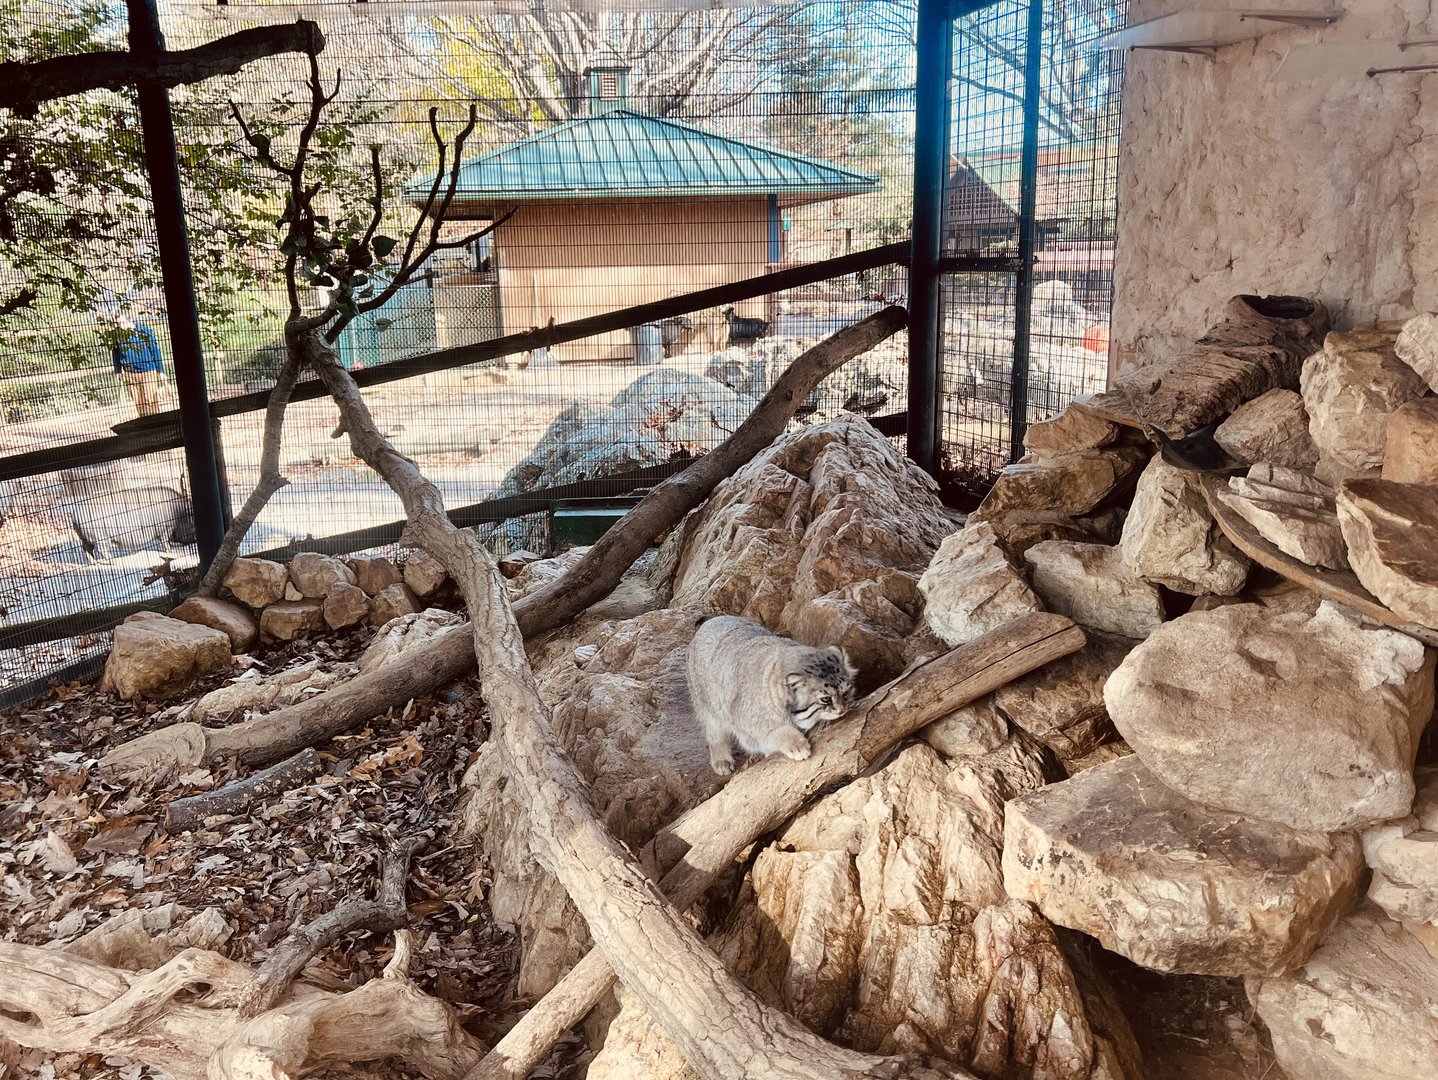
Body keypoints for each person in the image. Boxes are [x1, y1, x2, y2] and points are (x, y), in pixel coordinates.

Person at [109, 313, 168, 417]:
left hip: (148, 372)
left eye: (122, 323)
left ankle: (156, 424)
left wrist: (160, 371)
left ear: (130, 319)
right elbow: (116, 354)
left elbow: (155, 351)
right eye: (118, 323)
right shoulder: (117, 336)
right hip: (130, 373)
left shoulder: (145, 332)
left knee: (150, 400)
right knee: (138, 403)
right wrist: (118, 371)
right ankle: (145, 425)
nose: (120, 326)